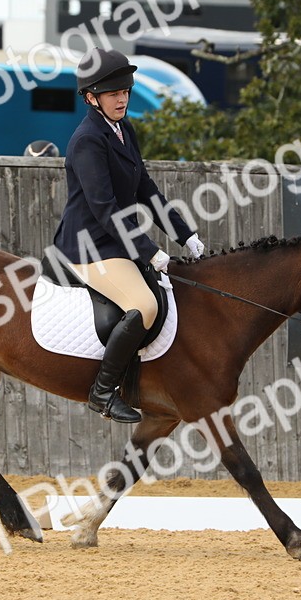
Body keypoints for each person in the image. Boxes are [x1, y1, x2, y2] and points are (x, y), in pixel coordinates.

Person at [52, 47, 205, 423]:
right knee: (145, 305)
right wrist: (149, 250)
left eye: (125, 91)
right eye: (113, 94)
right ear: (91, 98)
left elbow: (145, 190)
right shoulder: (87, 140)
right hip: (89, 246)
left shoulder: (123, 130)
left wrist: (185, 234)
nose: (122, 99)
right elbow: (105, 209)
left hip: (115, 242)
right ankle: (102, 392)